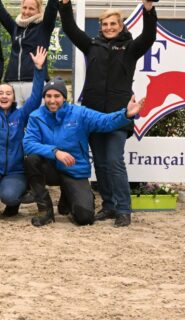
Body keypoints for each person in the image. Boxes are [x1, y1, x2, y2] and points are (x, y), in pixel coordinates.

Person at [58, 0, 159, 227]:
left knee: (114, 162)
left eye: (113, 23)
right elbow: (70, 28)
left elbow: (149, 36)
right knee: (101, 164)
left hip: (119, 115)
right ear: (101, 27)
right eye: (105, 24)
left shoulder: (131, 48)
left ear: (121, 25)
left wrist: (148, 8)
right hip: (93, 115)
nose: (109, 27)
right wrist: (65, 2)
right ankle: (109, 206)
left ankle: (124, 209)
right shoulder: (92, 46)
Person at [23, 79, 145, 227]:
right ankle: (45, 210)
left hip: (73, 169)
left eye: (57, 96)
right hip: (50, 168)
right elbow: (28, 144)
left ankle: (69, 195)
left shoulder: (79, 113)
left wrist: (125, 114)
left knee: (85, 218)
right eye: (48, 96)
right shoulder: (36, 116)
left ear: (64, 97)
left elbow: (104, 121)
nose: (52, 100)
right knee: (32, 159)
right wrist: (55, 152)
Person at [0, 42, 47, 219]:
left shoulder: (21, 115)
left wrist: (39, 70)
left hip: (15, 170)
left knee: (10, 196)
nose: (4, 96)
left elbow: (36, 98)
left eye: (8, 93)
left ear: (14, 97)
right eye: (0, 93)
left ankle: (13, 205)